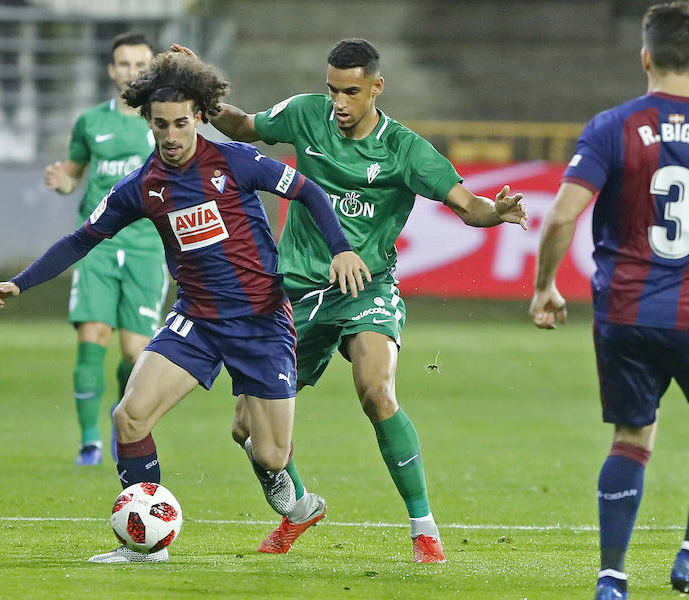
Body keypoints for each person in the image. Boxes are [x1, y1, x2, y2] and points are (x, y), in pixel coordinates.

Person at [0, 51, 371, 563]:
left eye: (181, 123)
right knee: (130, 416)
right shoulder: (143, 187)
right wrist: (19, 282)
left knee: (271, 451)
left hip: (260, 323)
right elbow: (81, 240)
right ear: (147, 119)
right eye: (160, 124)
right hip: (198, 321)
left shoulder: (235, 161)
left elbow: (309, 191)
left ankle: (277, 476)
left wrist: (341, 248)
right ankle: (145, 548)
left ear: (200, 118)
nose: (170, 135)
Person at [172, 38, 527, 561]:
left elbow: (468, 206)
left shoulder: (405, 149)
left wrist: (497, 212)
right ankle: (299, 510)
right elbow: (244, 127)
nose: (339, 102)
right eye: (333, 90)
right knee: (245, 428)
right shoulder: (304, 115)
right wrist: (199, 92)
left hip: (366, 288)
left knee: (376, 390)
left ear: (376, 88)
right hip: (293, 291)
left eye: (352, 92)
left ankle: (423, 528)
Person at [530, 3, 689, 598]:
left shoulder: (614, 126)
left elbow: (561, 218)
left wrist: (546, 286)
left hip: (626, 313)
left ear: (645, 56)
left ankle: (612, 578)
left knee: (631, 438)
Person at [43, 32, 167, 467]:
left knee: (136, 352)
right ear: (111, 70)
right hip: (97, 245)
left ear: (151, 68)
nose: (132, 71)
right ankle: (89, 441)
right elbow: (74, 173)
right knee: (92, 336)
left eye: (140, 64)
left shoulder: (164, 121)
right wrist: (64, 182)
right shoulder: (90, 122)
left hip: (148, 247)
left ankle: (122, 416)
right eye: (124, 64)